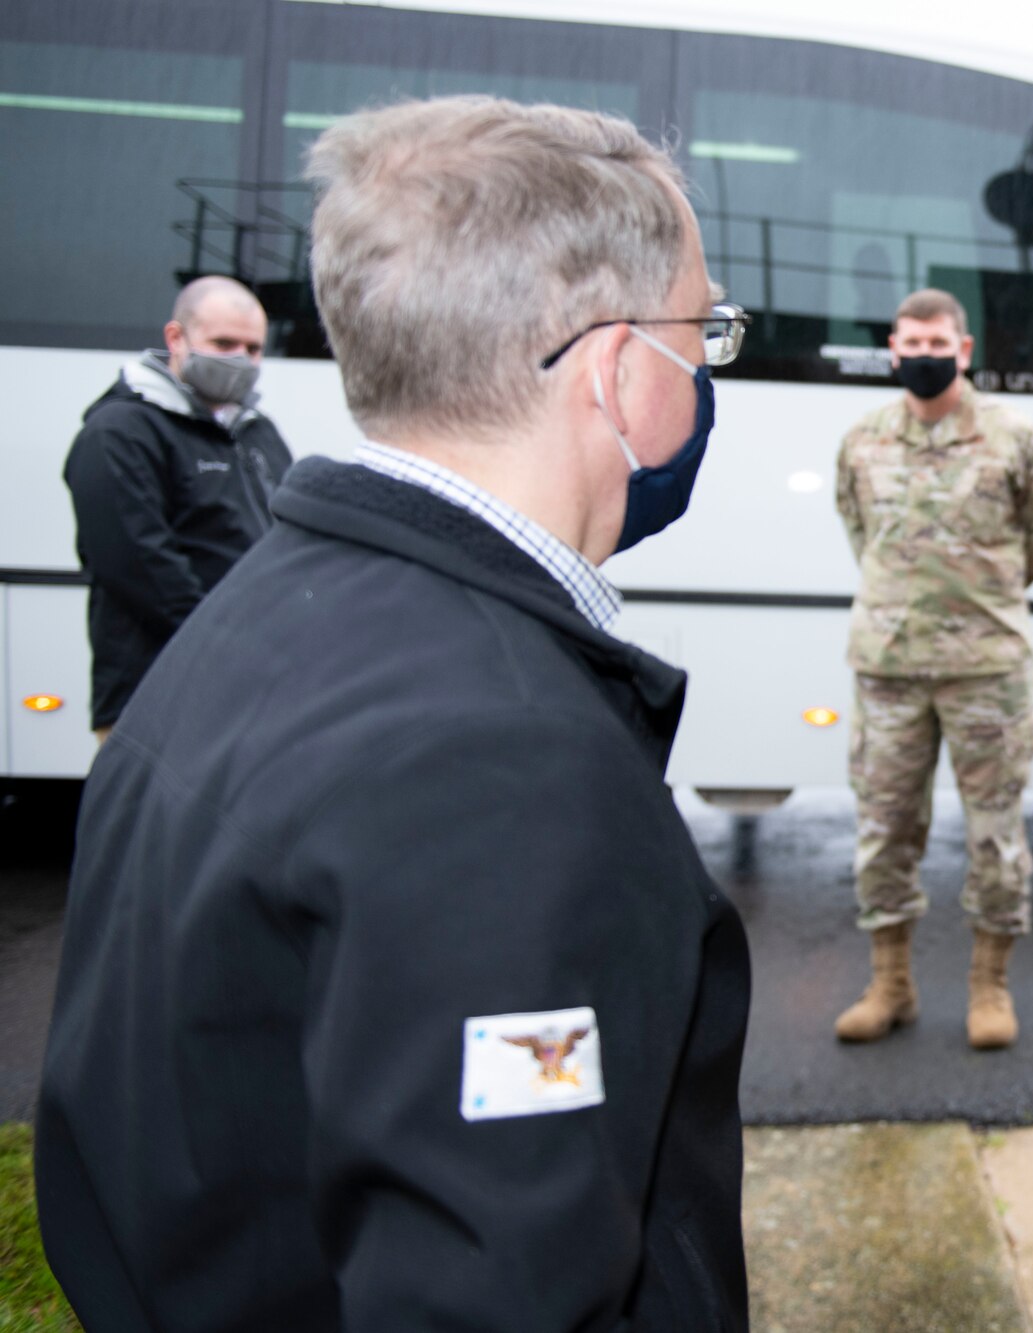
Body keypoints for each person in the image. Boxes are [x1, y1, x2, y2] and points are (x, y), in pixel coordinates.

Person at [36, 96, 752, 1331]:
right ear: (622, 370)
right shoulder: (502, 757)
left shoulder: (260, 608)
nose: (709, 369)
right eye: (708, 332)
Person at [832, 288, 1033, 1050]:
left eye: (939, 346)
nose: (924, 358)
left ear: (963, 352)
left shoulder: (1015, 438)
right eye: (911, 344)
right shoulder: (862, 439)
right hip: (888, 668)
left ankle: (989, 985)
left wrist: (977, 598)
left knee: (996, 834)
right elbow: (858, 527)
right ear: (893, 348)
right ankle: (889, 983)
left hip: (986, 669)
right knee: (884, 829)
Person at [62, 275, 294, 741]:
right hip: (156, 692)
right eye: (224, 343)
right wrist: (229, 643)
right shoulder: (120, 432)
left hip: (248, 688)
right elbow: (137, 564)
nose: (241, 361)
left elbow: (290, 543)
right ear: (176, 338)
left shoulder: (256, 431)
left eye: (252, 349)